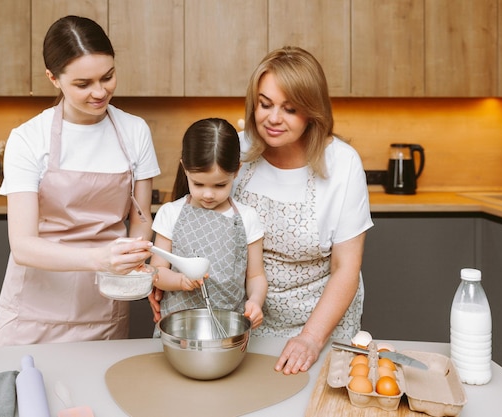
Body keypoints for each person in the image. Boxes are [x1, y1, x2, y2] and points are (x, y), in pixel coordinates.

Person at [150, 47, 372, 374]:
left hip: (318, 322)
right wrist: (165, 278)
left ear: (312, 111)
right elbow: (190, 214)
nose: (272, 118)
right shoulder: (235, 150)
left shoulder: (343, 164)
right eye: (264, 104)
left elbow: (346, 269)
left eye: (290, 108)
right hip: (240, 317)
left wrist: (310, 338)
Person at [0, 16, 160, 346]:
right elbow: (23, 246)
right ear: (53, 78)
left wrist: (134, 259)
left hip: (104, 305)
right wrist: (99, 260)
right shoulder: (28, 139)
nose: (100, 92)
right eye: (83, 84)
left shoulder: (135, 131)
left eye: (108, 77)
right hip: (33, 311)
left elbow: (140, 219)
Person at [150, 118, 267, 332]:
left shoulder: (248, 218)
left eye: (220, 185)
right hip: (178, 330)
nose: (208, 194)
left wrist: (256, 301)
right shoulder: (170, 213)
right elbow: (156, 272)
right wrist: (179, 280)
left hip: (229, 330)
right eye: (198, 184)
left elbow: (256, 276)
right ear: (185, 168)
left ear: (237, 171)